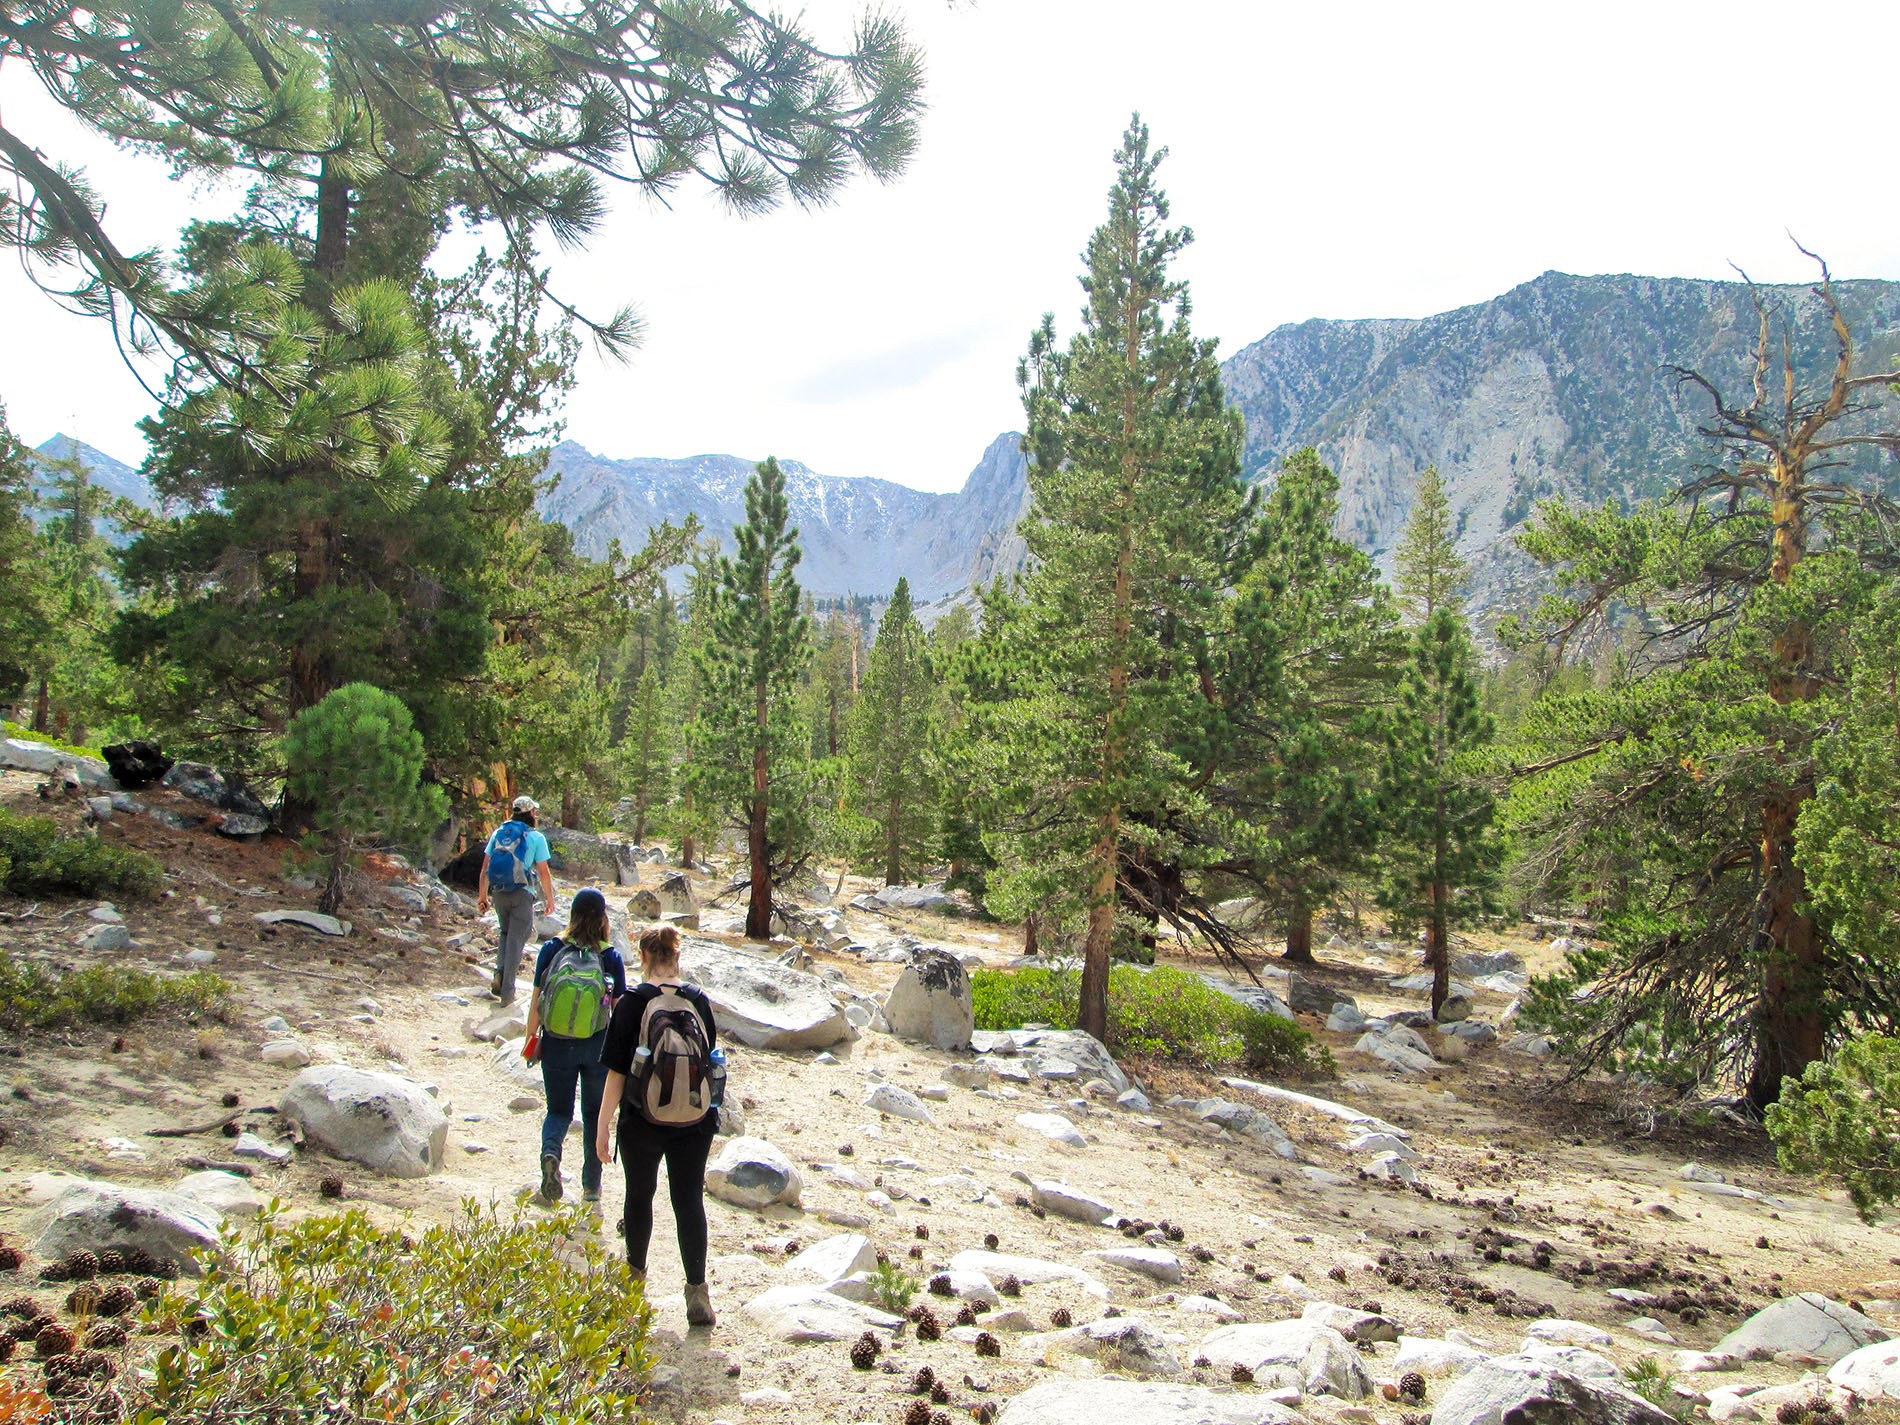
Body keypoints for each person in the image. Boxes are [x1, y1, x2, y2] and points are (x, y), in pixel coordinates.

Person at [598, 924, 720, 1326]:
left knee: (639, 1196)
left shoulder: (633, 1002)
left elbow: (617, 1072)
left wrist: (602, 1127)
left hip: (642, 1118)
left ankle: (633, 1283)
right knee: (688, 1202)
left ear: (644, 957)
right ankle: (697, 1293)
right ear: (677, 958)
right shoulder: (698, 1001)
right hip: (695, 1120)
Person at [523, 887, 625, 1205]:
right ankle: (591, 1187)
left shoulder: (552, 949)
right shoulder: (610, 957)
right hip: (597, 1046)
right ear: (603, 918)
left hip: (556, 1044)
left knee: (558, 1110)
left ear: (573, 915)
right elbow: (619, 1011)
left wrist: (531, 1040)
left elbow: (537, 1001)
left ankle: (551, 1152)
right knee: (595, 1114)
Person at [475, 795, 555, 1004]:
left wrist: (483, 895)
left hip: (499, 891)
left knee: (505, 932)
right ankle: (507, 993)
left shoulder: (499, 833)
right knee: (518, 937)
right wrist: (550, 899)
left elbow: (485, 868)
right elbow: (544, 872)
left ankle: (499, 973)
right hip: (522, 893)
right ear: (531, 813)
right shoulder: (536, 837)